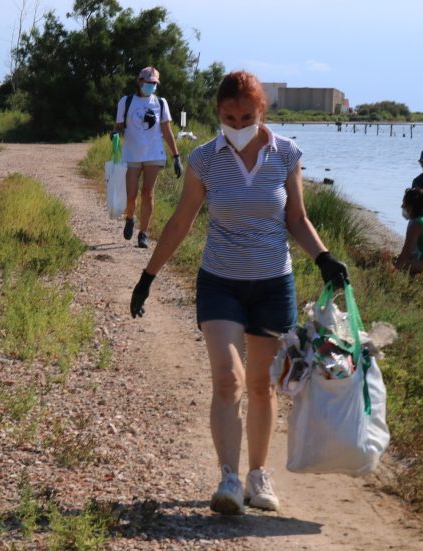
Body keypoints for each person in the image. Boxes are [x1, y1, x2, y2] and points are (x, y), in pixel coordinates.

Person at [128, 70, 348, 515]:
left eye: (247, 116)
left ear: (261, 111)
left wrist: (324, 258)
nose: (238, 124)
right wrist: (148, 276)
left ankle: (257, 475)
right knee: (229, 380)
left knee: (262, 386)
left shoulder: (286, 154)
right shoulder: (204, 159)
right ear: (219, 114)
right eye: (229, 117)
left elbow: (297, 219)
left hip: (273, 285)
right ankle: (229, 478)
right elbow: (181, 221)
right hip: (220, 283)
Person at [114, 66, 182, 249]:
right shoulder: (126, 101)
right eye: (148, 82)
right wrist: (115, 133)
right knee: (131, 195)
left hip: (154, 153)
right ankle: (130, 218)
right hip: (132, 154)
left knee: (147, 192)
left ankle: (143, 233)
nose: (151, 86)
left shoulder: (160, 103)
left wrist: (176, 156)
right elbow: (119, 126)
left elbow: (167, 131)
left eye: (154, 83)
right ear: (140, 82)